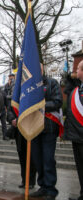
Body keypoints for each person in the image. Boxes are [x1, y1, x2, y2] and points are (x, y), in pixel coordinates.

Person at [30, 64, 62, 200]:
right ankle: (42, 186)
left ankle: (50, 189)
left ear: (42, 70)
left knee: (48, 159)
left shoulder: (52, 83)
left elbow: (57, 102)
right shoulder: (29, 86)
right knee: (37, 159)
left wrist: (39, 106)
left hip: (49, 126)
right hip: (33, 126)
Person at [7, 97, 36, 189]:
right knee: (22, 157)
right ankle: (24, 180)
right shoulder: (16, 95)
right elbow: (10, 110)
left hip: (29, 128)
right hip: (18, 132)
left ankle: (30, 181)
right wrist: (12, 119)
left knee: (31, 158)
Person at [64, 60, 83, 200]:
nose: (75, 71)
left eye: (78, 69)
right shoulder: (77, 89)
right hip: (76, 135)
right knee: (80, 169)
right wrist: (70, 79)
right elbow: (68, 92)